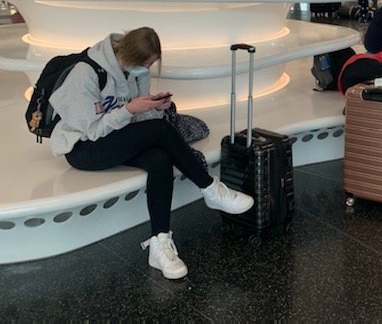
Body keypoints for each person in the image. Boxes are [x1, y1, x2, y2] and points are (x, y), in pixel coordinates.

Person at [48, 27, 254, 280]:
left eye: (151, 64)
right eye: (145, 63)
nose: (147, 68)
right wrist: (130, 109)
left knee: (160, 158)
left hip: (116, 138)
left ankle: (160, 244)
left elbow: (141, 121)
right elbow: (92, 131)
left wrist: (154, 108)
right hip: (83, 147)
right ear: (130, 55)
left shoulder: (137, 72)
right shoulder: (86, 73)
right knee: (160, 129)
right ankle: (210, 188)